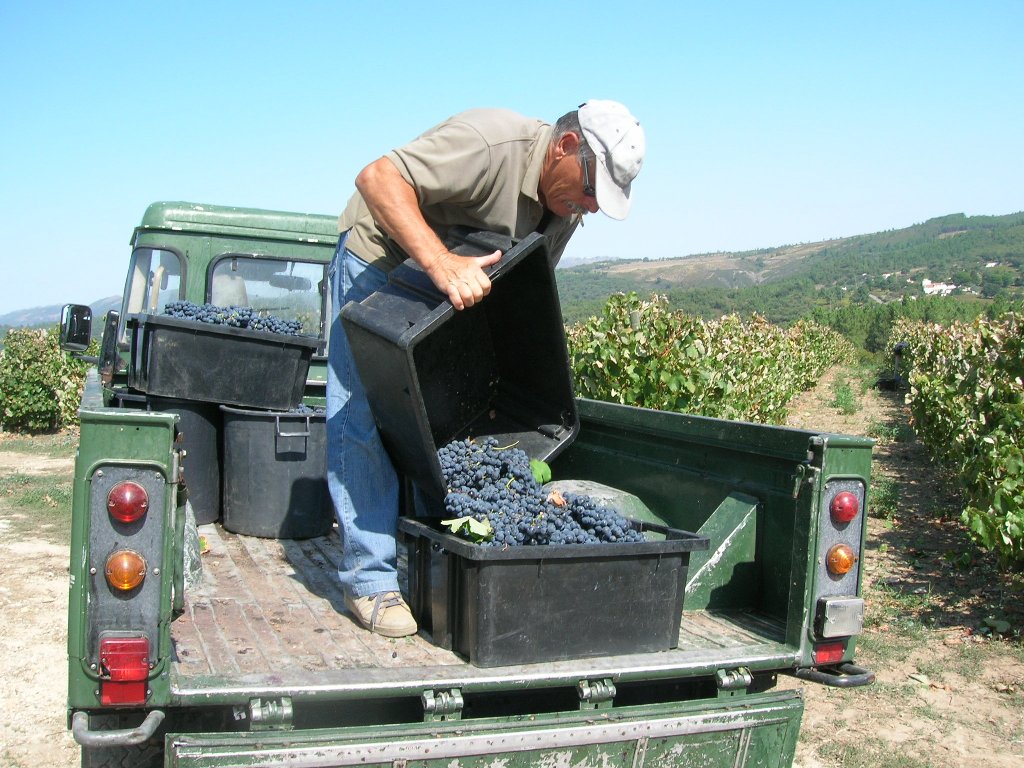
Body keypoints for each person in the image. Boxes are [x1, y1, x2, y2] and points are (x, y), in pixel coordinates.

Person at [327, 100, 645, 637]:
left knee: (441, 416)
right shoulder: (492, 143)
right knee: (363, 411)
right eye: (592, 190)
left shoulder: (564, 208)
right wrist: (439, 263)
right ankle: (369, 579)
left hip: (448, 284)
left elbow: (522, 287)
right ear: (566, 147)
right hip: (382, 260)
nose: (591, 208)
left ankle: (433, 564)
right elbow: (377, 178)